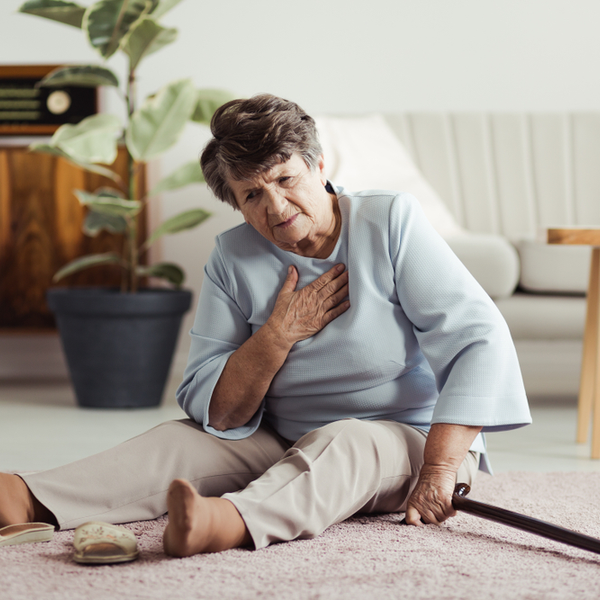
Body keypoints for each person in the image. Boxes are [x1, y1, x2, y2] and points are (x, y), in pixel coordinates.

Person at [0, 94, 531, 557]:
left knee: (344, 442)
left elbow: (477, 340)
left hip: (410, 441)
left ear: (319, 165)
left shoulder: (389, 221)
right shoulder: (232, 256)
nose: (275, 206)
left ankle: (224, 522)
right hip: (279, 437)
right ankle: (25, 496)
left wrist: (439, 471)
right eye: (251, 194)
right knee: (175, 443)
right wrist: (276, 336)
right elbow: (223, 410)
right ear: (235, 202)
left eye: (285, 178)